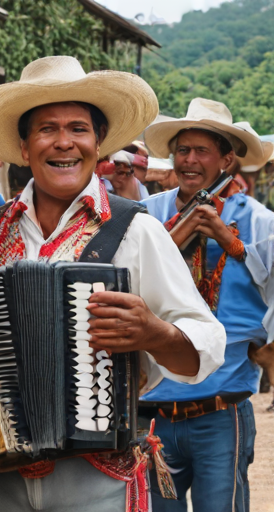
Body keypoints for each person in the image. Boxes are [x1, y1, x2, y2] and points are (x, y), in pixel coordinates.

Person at [0, 57, 225, 512]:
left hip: (98, 476)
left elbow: (207, 341)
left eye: (78, 128)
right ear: (24, 146)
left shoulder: (136, 230)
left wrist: (155, 332)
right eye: (47, 128)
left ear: (98, 145)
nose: (64, 142)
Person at [142, 97, 274, 512]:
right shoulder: (146, 216)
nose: (190, 160)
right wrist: (172, 241)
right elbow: (125, 278)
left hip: (222, 408)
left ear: (227, 160)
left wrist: (230, 241)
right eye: (183, 150)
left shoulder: (257, 220)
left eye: (202, 151)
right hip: (153, 411)